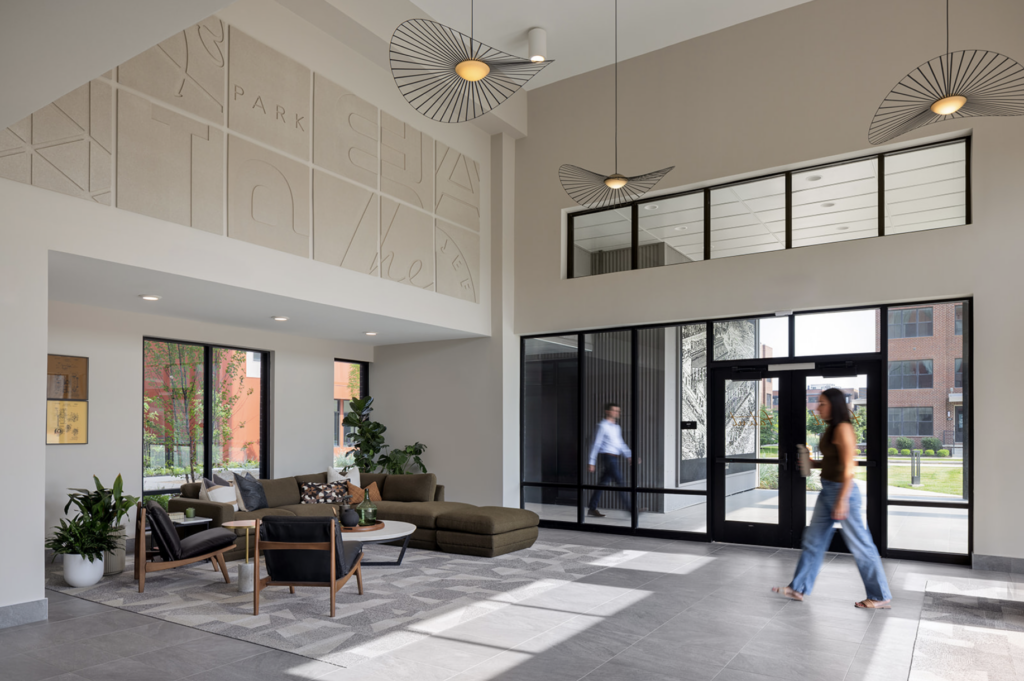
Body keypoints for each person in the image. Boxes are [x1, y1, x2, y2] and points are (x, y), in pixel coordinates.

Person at [773, 388, 892, 609]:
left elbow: (849, 467)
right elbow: (832, 460)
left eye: (822, 403)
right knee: (813, 540)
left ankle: (879, 596)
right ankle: (798, 588)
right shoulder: (830, 429)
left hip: (842, 492)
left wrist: (842, 499)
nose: (818, 408)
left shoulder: (844, 429)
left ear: (835, 405)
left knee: (861, 544)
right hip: (828, 490)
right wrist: (811, 462)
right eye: (818, 403)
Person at [586, 403, 633, 518]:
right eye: (614, 410)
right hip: (607, 457)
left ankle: (592, 508)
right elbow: (595, 444)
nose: (617, 413)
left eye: (618, 411)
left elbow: (620, 443)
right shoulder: (602, 426)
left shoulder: (616, 427)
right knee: (620, 481)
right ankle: (631, 509)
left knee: (602, 483)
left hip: (614, 458)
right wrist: (591, 462)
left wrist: (629, 455)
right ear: (607, 411)